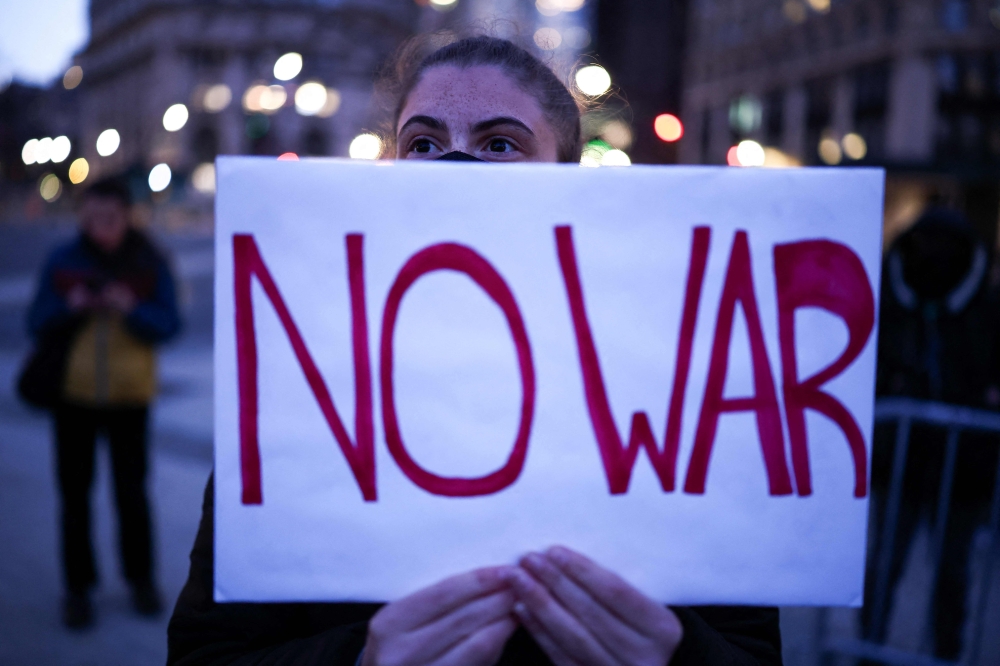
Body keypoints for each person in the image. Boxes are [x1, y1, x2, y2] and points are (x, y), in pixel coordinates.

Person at [167, 36, 783, 666]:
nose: (454, 167)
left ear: (569, 188)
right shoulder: (305, 400)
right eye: (425, 145)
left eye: (499, 145)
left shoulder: (671, 401)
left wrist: (678, 657)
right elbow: (204, 653)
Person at [27, 177, 181, 629]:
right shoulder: (63, 259)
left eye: (109, 219)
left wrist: (130, 308)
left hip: (130, 396)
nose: (100, 229)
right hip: (72, 396)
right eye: (91, 219)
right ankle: (78, 590)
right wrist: (69, 305)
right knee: (75, 498)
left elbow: (170, 323)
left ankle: (141, 580)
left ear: (127, 215)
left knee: (132, 495)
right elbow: (37, 319)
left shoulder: (149, 261)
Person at [862, 207, 1000, 660]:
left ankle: (945, 651)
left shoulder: (983, 310)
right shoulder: (892, 300)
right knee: (885, 564)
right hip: (899, 465)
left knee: (951, 574)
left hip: (961, 473)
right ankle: (868, 647)